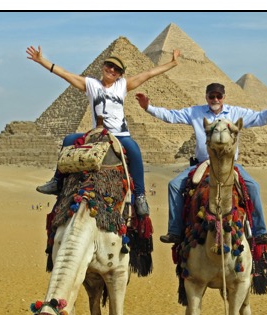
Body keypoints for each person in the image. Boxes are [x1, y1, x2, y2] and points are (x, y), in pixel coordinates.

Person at [26, 45, 180, 216]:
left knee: (135, 151)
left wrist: (172, 63)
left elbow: (148, 74)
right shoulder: (90, 84)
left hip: (120, 135)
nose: (112, 70)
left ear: (120, 74)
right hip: (98, 134)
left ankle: (141, 196)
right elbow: (64, 74)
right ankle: (56, 181)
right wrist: (41, 61)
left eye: (117, 69)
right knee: (69, 140)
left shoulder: (122, 85)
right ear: (103, 66)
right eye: (109, 66)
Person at [135, 83, 267, 244]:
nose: (215, 99)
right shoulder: (196, 112)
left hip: (229, 164)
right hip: (204, 163)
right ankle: (175, 231)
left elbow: (261, 118)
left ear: (224, 97)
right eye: (211, 96)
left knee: (253, 187)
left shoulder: (236, 113)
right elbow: (171, 115)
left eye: (218, 96)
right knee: (174, 185)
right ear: (206, 97)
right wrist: (148, 108)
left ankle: (260, 232)